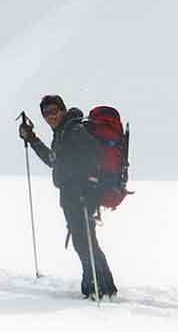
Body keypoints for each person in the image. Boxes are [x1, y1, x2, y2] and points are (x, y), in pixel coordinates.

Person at [22, 94, 116, 298]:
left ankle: (95, 287)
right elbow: (54, 161)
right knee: (86, 239)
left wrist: (86, 185)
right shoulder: (62, 133)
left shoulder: (74, 130)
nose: (50, 116)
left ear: (62, 110)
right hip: (72, 195)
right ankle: (104, 286)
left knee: (84, 241)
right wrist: (32, 139)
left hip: (80, 195)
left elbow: (95, 156)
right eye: (46, 113)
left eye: (54, 111)